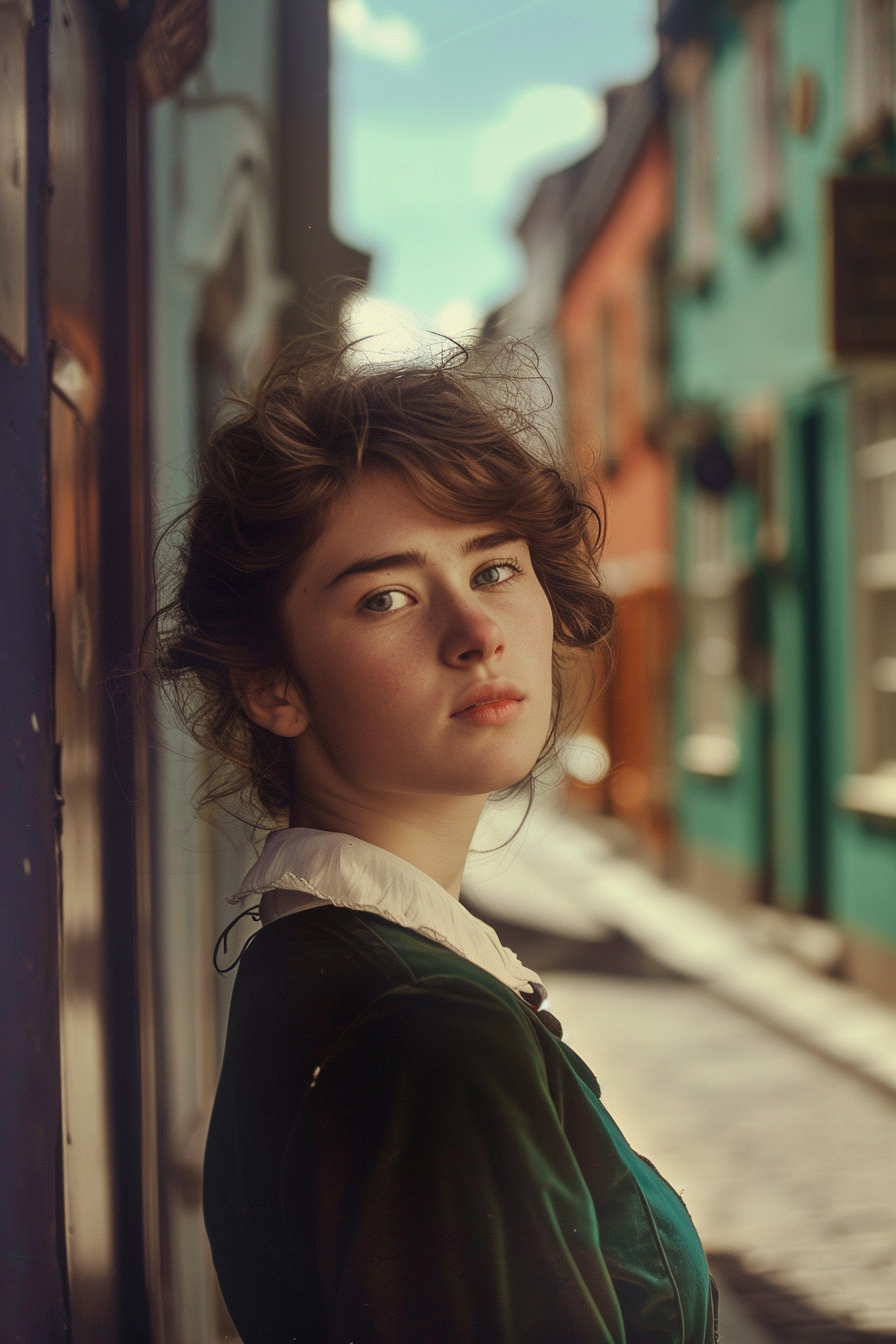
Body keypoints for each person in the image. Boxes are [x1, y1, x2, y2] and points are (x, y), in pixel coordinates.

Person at [155, 342, 718, 1343]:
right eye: (386, 597)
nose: (475, 631)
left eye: (494, 567)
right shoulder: (427, 1032)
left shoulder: (319, 965)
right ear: (271, 685)